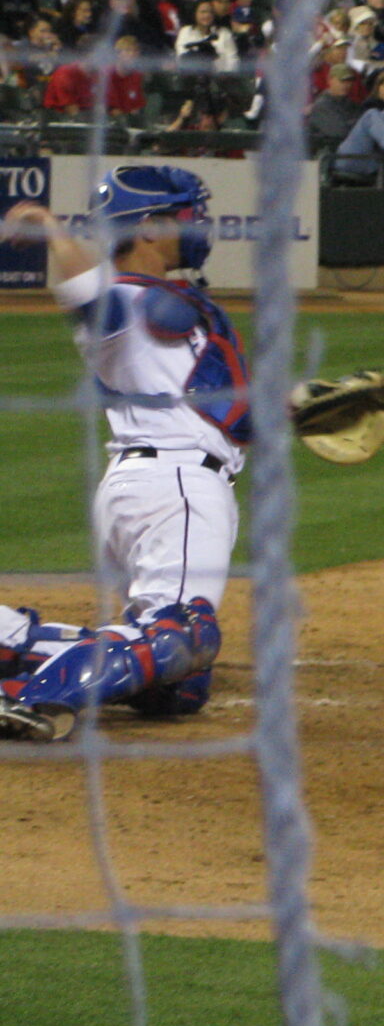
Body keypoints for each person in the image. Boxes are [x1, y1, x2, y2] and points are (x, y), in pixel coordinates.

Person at [0, 169, 241, 739]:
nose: (197, 225)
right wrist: (47, 225)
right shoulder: (124, 299)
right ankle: (31, 699)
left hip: (156, 483)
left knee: (180, 687)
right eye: (185, 215)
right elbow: (86, 293)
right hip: (174, 488)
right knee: (184, 633)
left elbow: (213, 405)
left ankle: (10, 637)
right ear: (150, 229)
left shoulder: (166, 302)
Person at [334, 71, 384, 183]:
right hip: (351, 153)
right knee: (372, 114)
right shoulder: (367, 106)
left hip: (372, 162)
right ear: (378, 88)